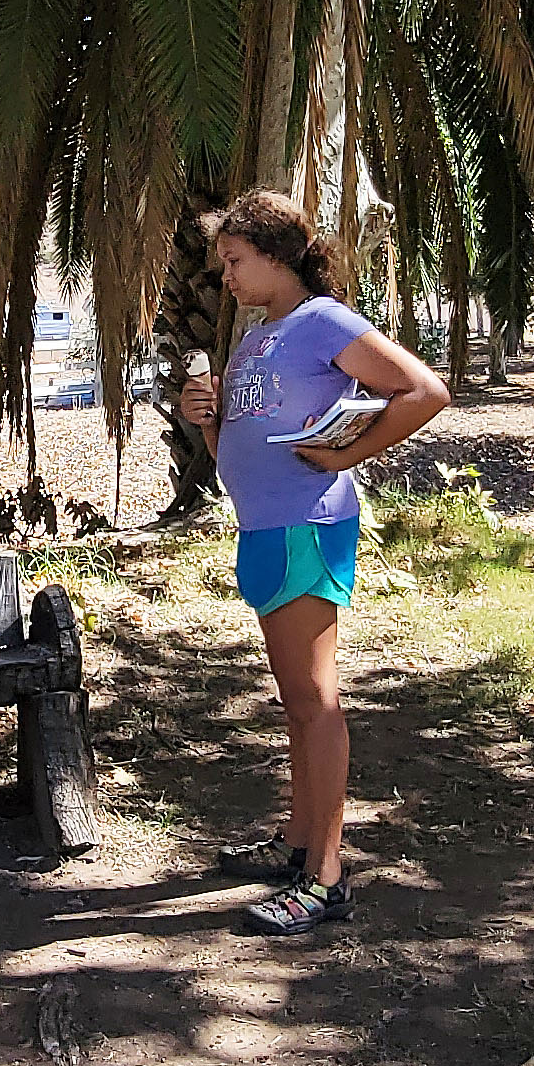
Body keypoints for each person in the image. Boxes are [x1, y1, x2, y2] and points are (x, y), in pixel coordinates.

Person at [178, 190, 451, 935]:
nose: (226, 277)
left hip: (306, 524)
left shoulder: (324, 320)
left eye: (235, 261)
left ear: (275, 255)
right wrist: (207, 420)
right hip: (266, 527)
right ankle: (297, 844)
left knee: (315, 704)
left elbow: (425, 391)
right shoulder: (261, 333)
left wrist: (348, 454)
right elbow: (240, 443)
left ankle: (325, 878)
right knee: (298, 704)